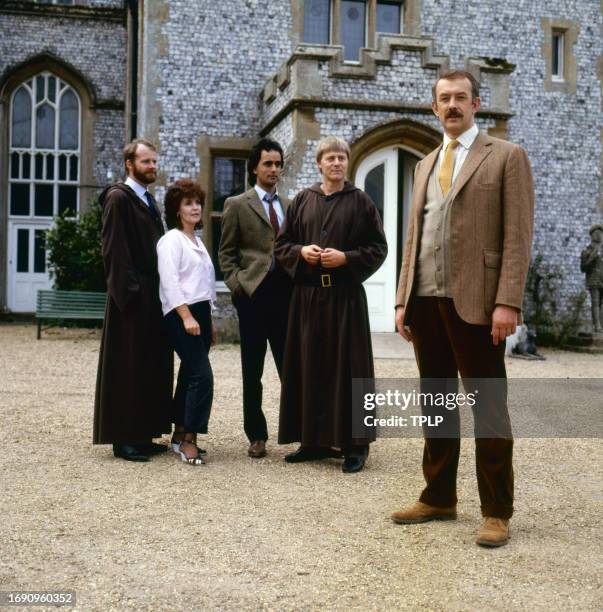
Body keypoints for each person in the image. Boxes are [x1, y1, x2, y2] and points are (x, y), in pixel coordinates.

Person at [391, 70, 534, 546]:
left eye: (460, 98)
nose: (452, 105)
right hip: (426, 301)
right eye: (443, 99)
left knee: (488, 406)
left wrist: (507, 301)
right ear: (435, 108)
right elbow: (415, 236)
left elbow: (517, 237)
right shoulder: (424, 164)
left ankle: (496, 510)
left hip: (478, 302)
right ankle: (438, 497)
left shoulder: (507, 157)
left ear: (477, 103)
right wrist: (402, 299)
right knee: (436, 403)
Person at [275, 136, 388, 473]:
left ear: (347, 163)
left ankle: (356, 445)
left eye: (342, 158)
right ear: (319, 164)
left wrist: (346, 258)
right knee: (310, 366)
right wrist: (300, 253)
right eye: (331, 158)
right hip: (308, 299)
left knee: (349, 370)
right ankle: (313, 441)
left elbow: (378, 248)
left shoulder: (362, 202)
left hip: (345, 299)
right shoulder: (301, 201)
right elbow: (281, 245)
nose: (337, 163)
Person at [94, 139, 173, 462]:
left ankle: (143, 432)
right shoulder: (118, 198)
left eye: (154, 161)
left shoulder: (147, 200)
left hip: (151, 296)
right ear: (129, 164)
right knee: (127, 367)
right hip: (131, 299)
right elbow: (115, 252)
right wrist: (130, 297)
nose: (152, 166)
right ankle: (124, 439)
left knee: (148, 367)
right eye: (145, 162)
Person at [219, 138, 292, 459]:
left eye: (278, 164)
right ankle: (257, 435)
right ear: (254, 168)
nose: (274, 169)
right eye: (268, 164)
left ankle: (298, 431)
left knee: (291, 370)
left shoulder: (291, 206)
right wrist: (238, 287)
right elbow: (225, 253)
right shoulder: (237, 204)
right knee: (253, 371)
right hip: (252, 297)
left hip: (286, 298)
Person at [157, 179, 216, 466]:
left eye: (198, 203)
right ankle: (189, 441)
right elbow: (170, 282)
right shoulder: (171, 240)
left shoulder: (198, 242)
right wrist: (187, 316)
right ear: (177, 210)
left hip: (201, 313)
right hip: (182, 313)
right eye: (188, 203)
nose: (195, 208)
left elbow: (205, 284)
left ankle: (179, 436)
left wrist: (209, 321)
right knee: (202, 377)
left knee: (189, 375)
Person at [580, 224, 603, 333]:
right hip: (593, 279)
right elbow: (583, 268)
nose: (599, 236)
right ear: (592, 235)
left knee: (601, 304)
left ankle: (601, 325)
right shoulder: (587, 250)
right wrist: (592, 258)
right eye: (597, 234)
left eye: (601, 234)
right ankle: (597, 326)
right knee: (596, 303)